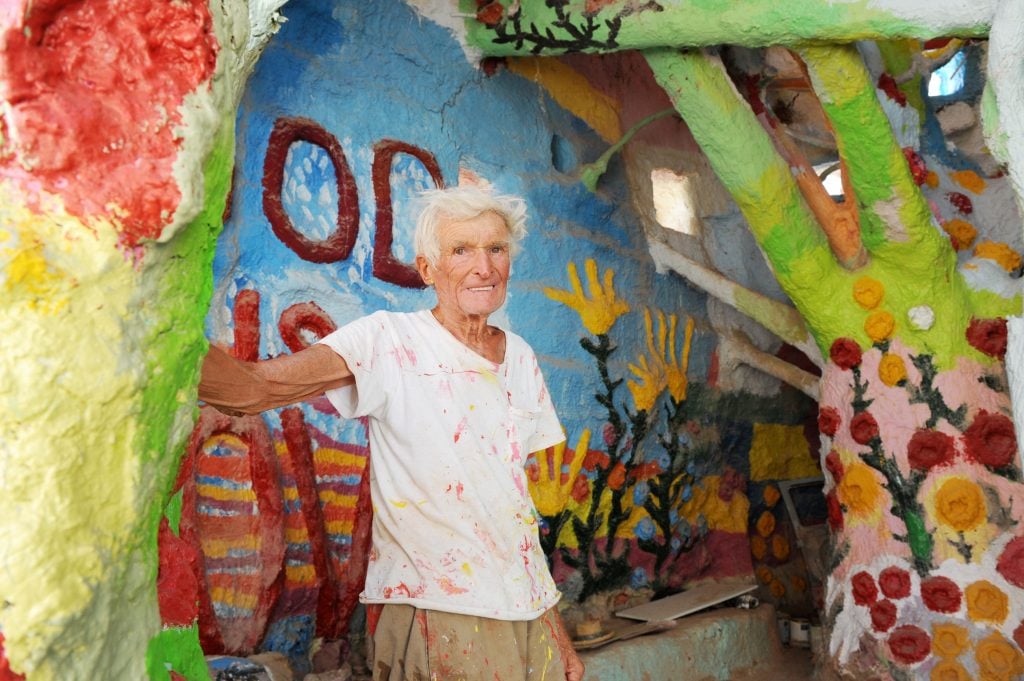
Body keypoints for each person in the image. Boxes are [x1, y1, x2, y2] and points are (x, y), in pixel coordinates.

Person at [199, 185, 585, 681]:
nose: (483, 267)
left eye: (496, 249)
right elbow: (252, 390)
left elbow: (515, 514)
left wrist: (556, 633)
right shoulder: (388, 342)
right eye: (461, 250)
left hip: (528, 616)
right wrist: (165, 327)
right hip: (437, 610)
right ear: (428, 269)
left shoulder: (522, 358)